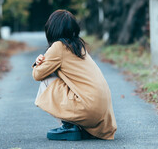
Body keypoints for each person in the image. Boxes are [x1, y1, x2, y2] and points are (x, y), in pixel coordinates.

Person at [32, 9, 117, 141]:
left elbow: (38, 75)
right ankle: (82, 128)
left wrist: (38, 63)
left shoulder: (58, 47)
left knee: (46, 81)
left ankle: (68, 126)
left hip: (87, 108)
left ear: (52, 29)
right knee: (63, 80)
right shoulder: (79, 46)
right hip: (102, 113)